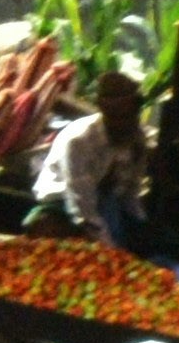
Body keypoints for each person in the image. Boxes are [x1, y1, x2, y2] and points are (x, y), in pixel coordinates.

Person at [29, 68, 153, 246]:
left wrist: (142, 226)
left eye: (128, 116)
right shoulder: (79, 140)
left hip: (107, 206)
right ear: (104, 111)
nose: (122, 123)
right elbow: (81, 206)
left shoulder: (136, 139)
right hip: (62, 203)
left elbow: (130, 196)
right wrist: (109, 249)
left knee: (168, 243)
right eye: (116, 116)